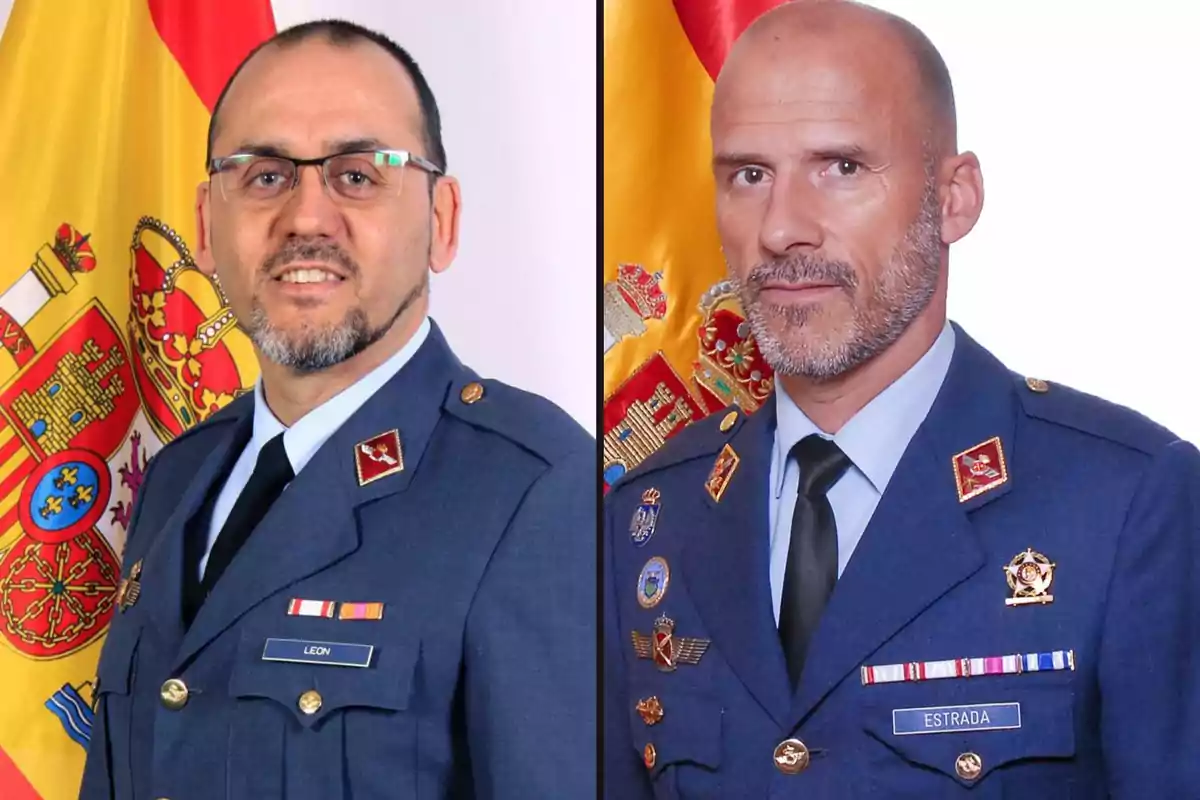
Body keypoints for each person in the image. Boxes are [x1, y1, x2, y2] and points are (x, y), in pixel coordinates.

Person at [603, 1, 1199, 796]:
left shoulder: (1128, 504)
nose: (781, 228)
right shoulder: (649, 512)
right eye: (749, 174)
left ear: (954, 198)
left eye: (841, 167)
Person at [81, 19, 595, 800]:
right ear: (205, 228)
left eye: (358, 174)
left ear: (442, 221)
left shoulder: (533, 492)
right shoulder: (176, 479)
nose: (307, 218)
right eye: (264, 175)